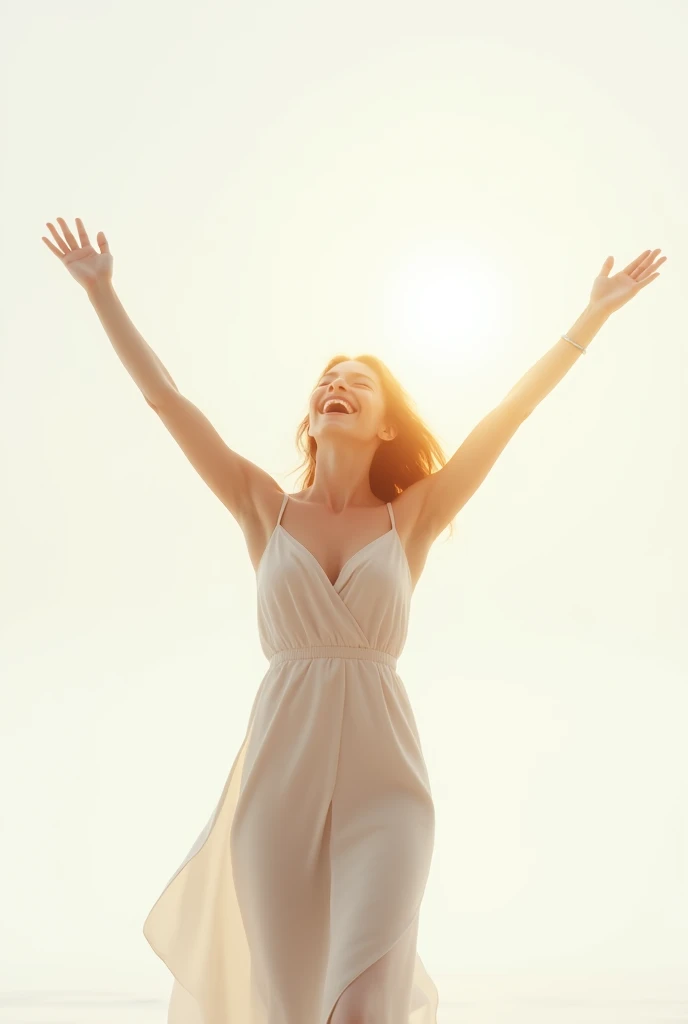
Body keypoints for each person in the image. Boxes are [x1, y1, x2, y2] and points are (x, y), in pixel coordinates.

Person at [43, 216, 665, 1024]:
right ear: (312, 417)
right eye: (327, 380)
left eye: (358, 383)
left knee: (365, 1003)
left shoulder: (415, 516)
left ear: (385, 425)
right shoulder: (260, 506)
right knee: (293, 1002)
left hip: (386, 783)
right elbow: (166, 399)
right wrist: (102, 292)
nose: (336, 385)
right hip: (279, 780)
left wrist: (591, 316)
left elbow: (506, 417)